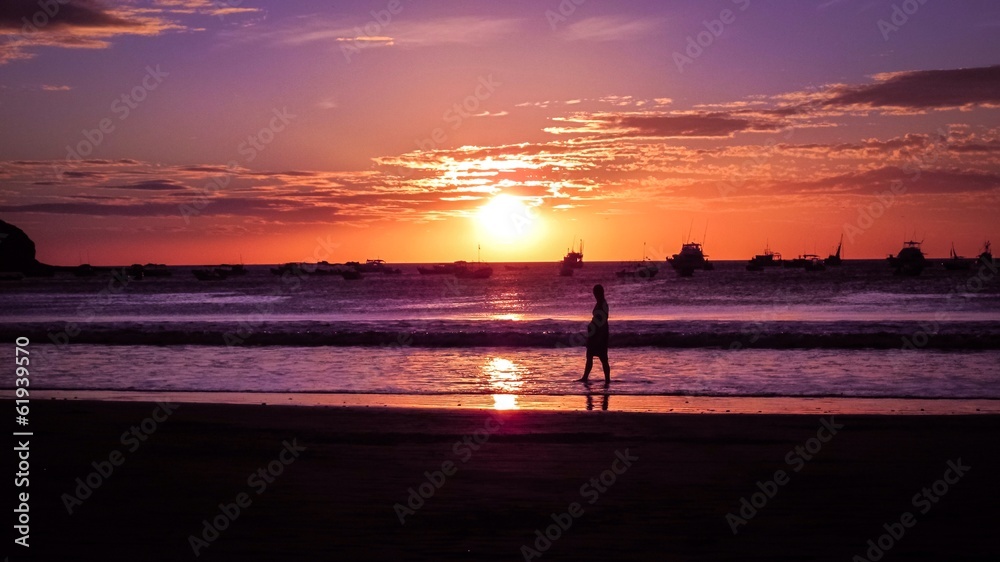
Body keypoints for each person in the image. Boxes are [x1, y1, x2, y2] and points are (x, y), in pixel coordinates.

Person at [579, 284, 610, 384]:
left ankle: (607, 379)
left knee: (603, 358)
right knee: (590, 355)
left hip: (600, 332)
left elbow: (603, 321)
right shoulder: (599, 303)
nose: (594, 294)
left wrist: (600, 336)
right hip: (594, 333)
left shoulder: (603, 304)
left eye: (596, 292)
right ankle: (585, 377)